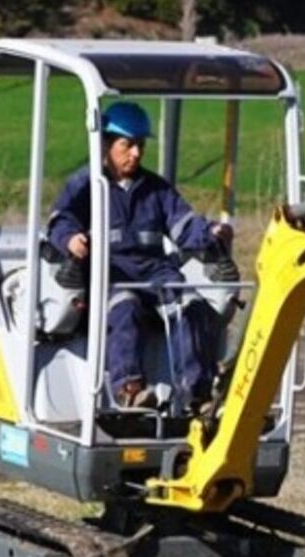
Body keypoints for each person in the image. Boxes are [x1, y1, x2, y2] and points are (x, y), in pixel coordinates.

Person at [47, 101, 233, 409]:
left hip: (155, 274)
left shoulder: (155, 189)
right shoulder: (85, 187)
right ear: (106, 144)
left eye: (140, 145)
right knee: (125, 307)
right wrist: (70, 240)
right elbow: (60, 221)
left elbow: (184, 224)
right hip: (110, 276)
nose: (136, 153)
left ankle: (196, 394)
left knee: (190, 304)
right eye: (128, 145)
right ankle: (130, 389)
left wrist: (209, 232)